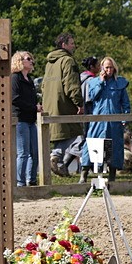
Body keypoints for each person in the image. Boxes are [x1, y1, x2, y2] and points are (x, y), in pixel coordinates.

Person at [41, 32, 85, 176]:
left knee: (64, 134)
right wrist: (79, 103)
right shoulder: (68, 61)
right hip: (64, 105)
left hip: (50, 105)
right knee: (75, 134)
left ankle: (60, 162)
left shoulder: (50, 63)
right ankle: (57, 157)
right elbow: (71, 84)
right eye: (72, 43)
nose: (74, 46)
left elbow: (43, 86)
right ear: (63, 45)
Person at [80, 57, 131, 176]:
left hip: (114, 121)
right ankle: (85, 173)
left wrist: (125, 118)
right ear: (102, 68)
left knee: (113, 146)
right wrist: (101, 82)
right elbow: (93, 97)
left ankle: (111, 175)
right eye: (106, 67)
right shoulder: (93, 82)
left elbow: (125, 103)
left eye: (111, 67)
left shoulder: (120, 82)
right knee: (92, 144)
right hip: (98, 120)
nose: (109, 70)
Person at [10, 51, 41, 187]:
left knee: (35, 152)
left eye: (31, 59)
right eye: (28, 59)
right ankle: (20, 183)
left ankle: (32, 180)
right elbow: (15, 99)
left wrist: (37, 107)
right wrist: (34, 107)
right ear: (20, 61)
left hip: (30, 119)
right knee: (23, 153)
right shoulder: (15, 78)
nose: (31, 61)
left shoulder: (29, 80)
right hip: (20, 119)